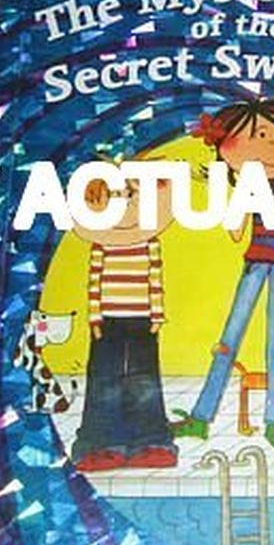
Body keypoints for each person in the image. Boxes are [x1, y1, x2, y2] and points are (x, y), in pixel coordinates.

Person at [170, 95, 274, 469]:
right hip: (258, 262)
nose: (270, 142)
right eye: (260, 135)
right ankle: (202, 419)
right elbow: (235, 231)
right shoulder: (251, 183)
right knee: (229, 340)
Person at [71, 175, 177, 472]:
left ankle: (151, 442)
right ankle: (102, 445)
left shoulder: (149, 244)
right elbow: (94, 282)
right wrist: (95, 317)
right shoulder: (101, 246)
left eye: (130, 198)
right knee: (104, 379)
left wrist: (156, 315)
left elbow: (154, 279)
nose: (123, 210)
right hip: (107, 320)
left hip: (143, 319)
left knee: (144, 379)